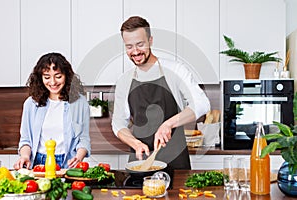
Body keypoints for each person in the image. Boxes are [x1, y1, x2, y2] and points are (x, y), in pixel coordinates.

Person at [111, 16, 210, 170]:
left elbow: (202, 104)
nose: (135, 51)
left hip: (175, 159)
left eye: (140, 44)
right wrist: (135, 143)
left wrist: (168, 124)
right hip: (140, 161)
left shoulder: (176, 70)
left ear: (150, 41)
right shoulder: (124, 81)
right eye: (129, 46)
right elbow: (118, 124)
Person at [14, 52, 91, 170]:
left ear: (67, 76)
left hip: (67, 162)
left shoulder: (79, 103)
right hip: (38, 163)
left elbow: (83, 138)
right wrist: (25, 156)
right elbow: (26, 139)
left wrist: (78, 158)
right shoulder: (31, 104)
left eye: (58, 76)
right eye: (47, 77)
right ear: (40, 78)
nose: (53, 82)